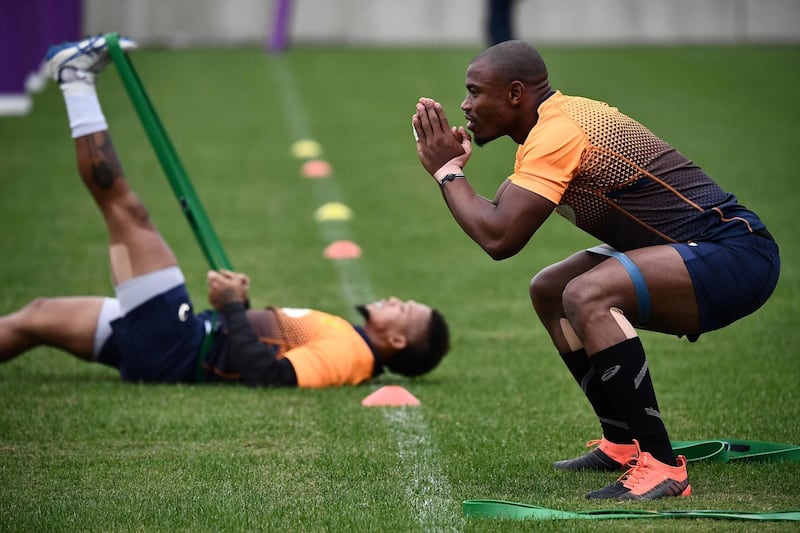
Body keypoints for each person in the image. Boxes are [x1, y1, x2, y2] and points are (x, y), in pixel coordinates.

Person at [412, 40, 779, 500]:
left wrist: (448, 173)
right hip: (698, 249)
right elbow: (496, 217)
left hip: (737, 253)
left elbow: (500, 239)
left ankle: (663, 465)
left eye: (474, 92)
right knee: (550, 289)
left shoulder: (557, 133)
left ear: (514, 93)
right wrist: (453, 172)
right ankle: (622, 442)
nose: (465, 105)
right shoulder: (550, 127)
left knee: (587, 294)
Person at [0, 36, 450, 388]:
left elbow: (270, 379)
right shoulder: (350, 340)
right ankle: (76, 76)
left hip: (178, 345)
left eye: (403, 309)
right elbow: (260, 351)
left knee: (126, 210)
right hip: (184, 339)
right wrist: (241, 307)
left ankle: (75, 77)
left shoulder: (349, 354)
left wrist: (233, 308)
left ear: (396, 340)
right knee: (36, 317)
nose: (395, 299)